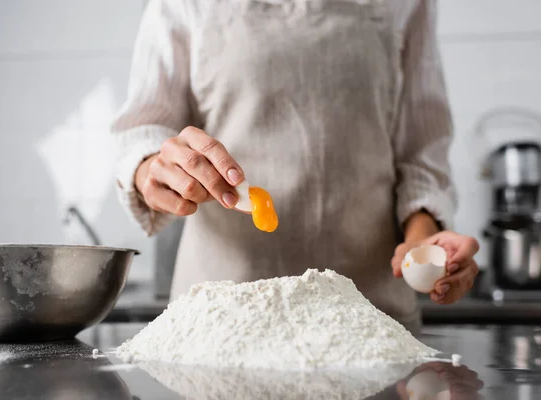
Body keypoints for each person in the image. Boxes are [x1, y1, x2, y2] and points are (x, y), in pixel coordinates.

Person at [112, 0, 479, 333]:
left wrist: (422, 241)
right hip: (222, 317)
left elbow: (422, 153)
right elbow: (143, 133)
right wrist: (152, 170)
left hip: (368, 320)